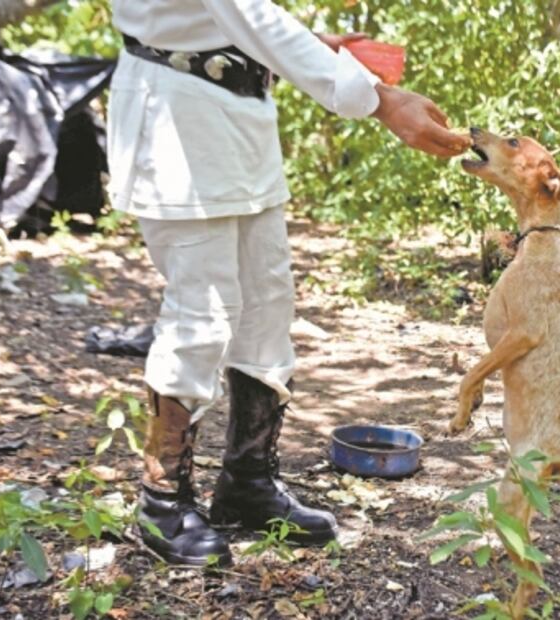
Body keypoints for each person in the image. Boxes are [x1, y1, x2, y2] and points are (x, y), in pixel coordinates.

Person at [106, 0, 470, 566]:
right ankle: (161, 502)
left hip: (240, 122)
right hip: (177, 124)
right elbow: (246, 10)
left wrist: (310, 43)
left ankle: (246, 482)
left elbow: (227, 18)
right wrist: (381, 101)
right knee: (201, 314)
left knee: (266, 304)